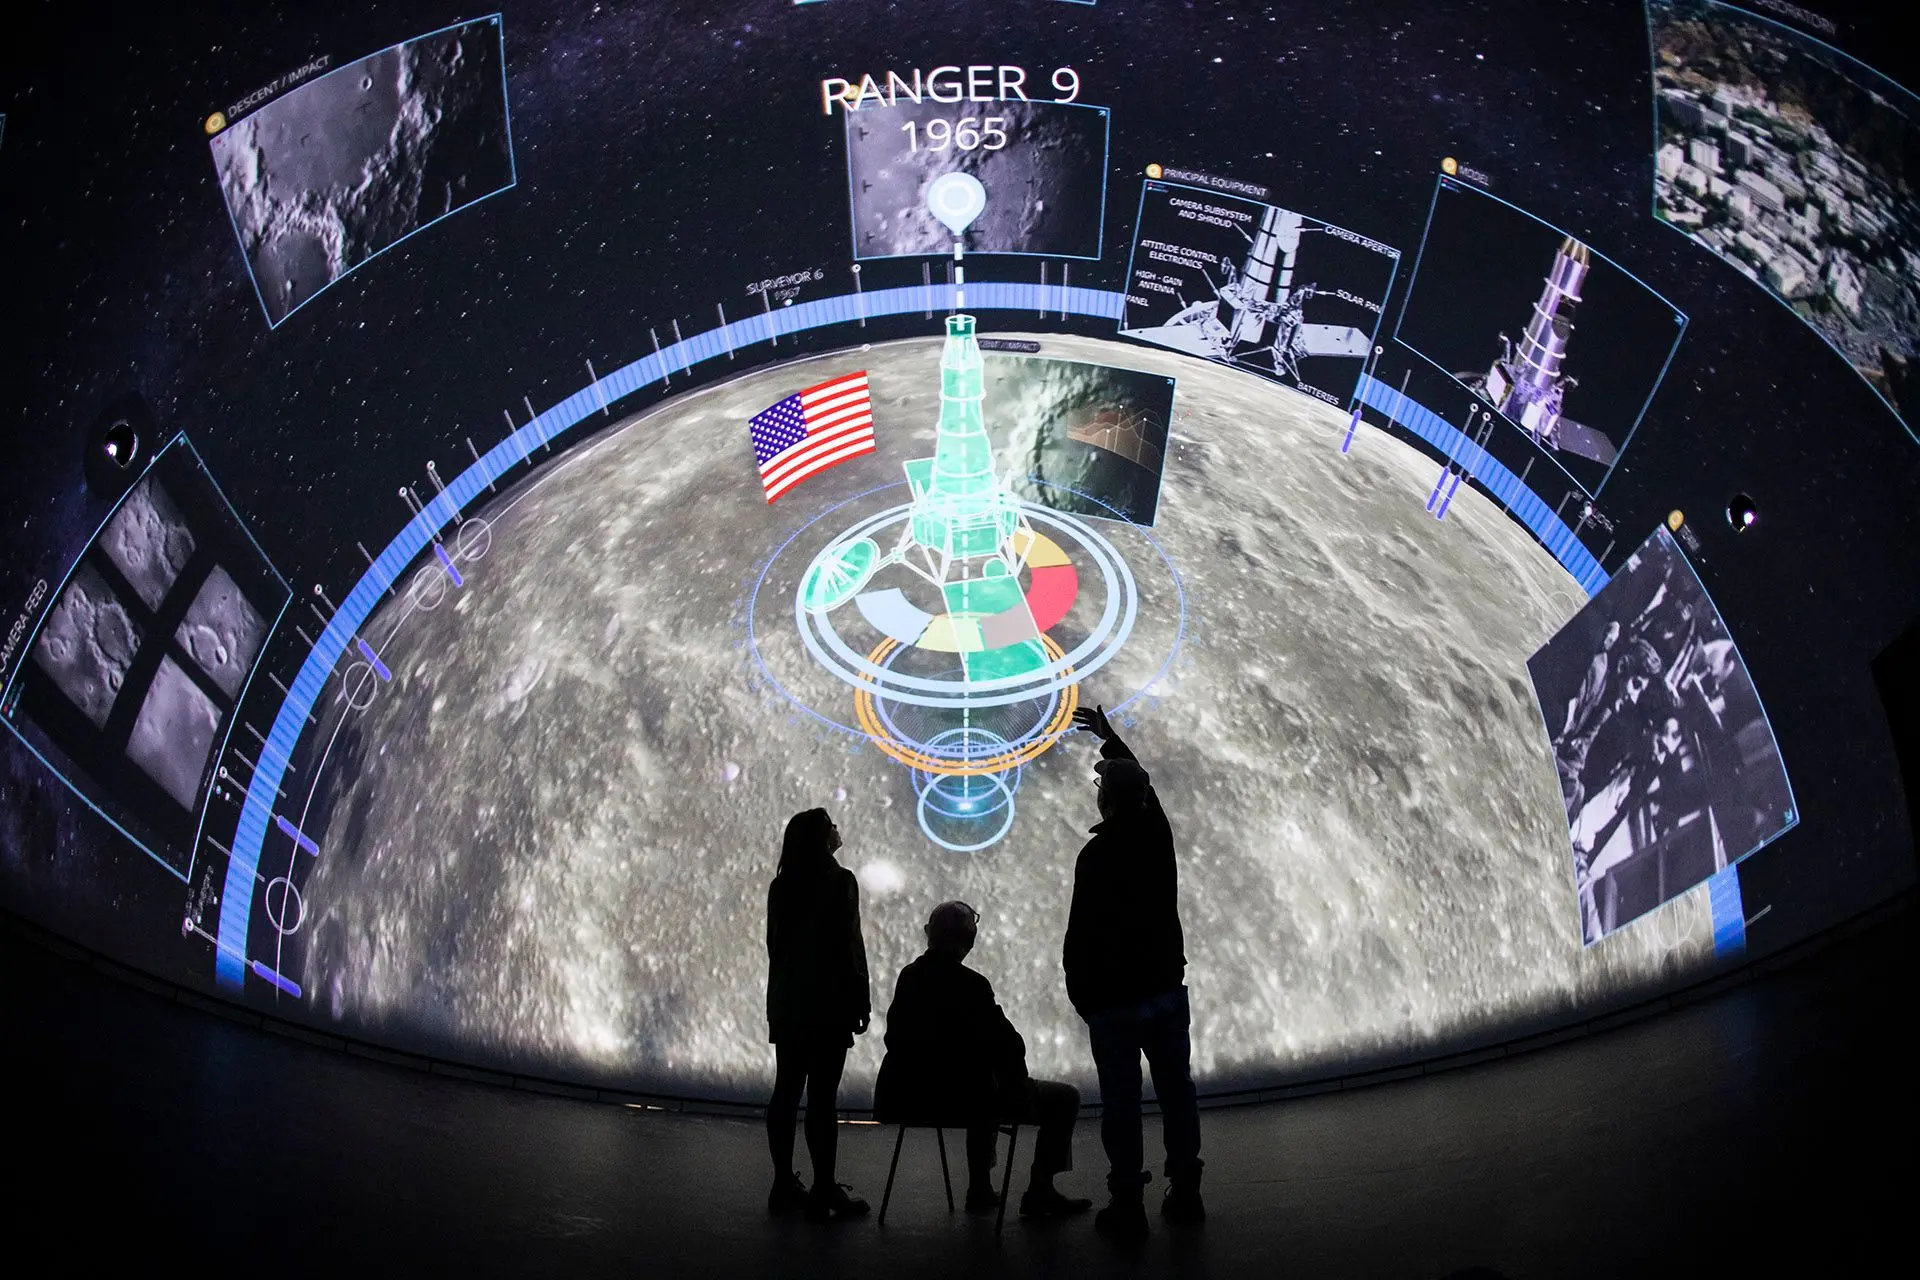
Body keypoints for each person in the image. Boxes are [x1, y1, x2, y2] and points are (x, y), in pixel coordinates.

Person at [1063, 705, 1203, 1241]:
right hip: (1164, 990)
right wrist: (1110, 739)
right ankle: (1186, 1192)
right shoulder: (1157, 838)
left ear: (1105, 801)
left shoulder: (1095, 856)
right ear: (1142, 798)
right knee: (1176, 1093)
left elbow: (1080, 934)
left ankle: (1127, 1203)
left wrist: (1083, 998)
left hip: (1114, 1004)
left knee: (1122, 1104)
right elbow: (1146, 785)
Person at [873, 901, 1093, 1220]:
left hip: (911, 1099)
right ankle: (1040, 1191)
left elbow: (894, 1039)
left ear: (929, 933)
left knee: (980, 1083)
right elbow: (1008, 1046)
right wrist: (1018, 1087)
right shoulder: (972, 985)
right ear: (970, 939)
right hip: (965, 1100)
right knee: (1061, 1097)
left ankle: (980, 1189)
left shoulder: (908, 978)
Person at [764, 808, 871, 1222]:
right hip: (829, 1004)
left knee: (786, 1091)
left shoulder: (781, 886)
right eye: (831, 827)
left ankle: (782, 1182)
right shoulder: (840, 881)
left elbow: (775, 947)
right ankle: (824, 1188)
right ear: (821, 838)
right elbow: (849, 946)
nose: (837, 831)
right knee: (822, 1098)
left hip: (788, 1003)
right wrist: (860, 999)